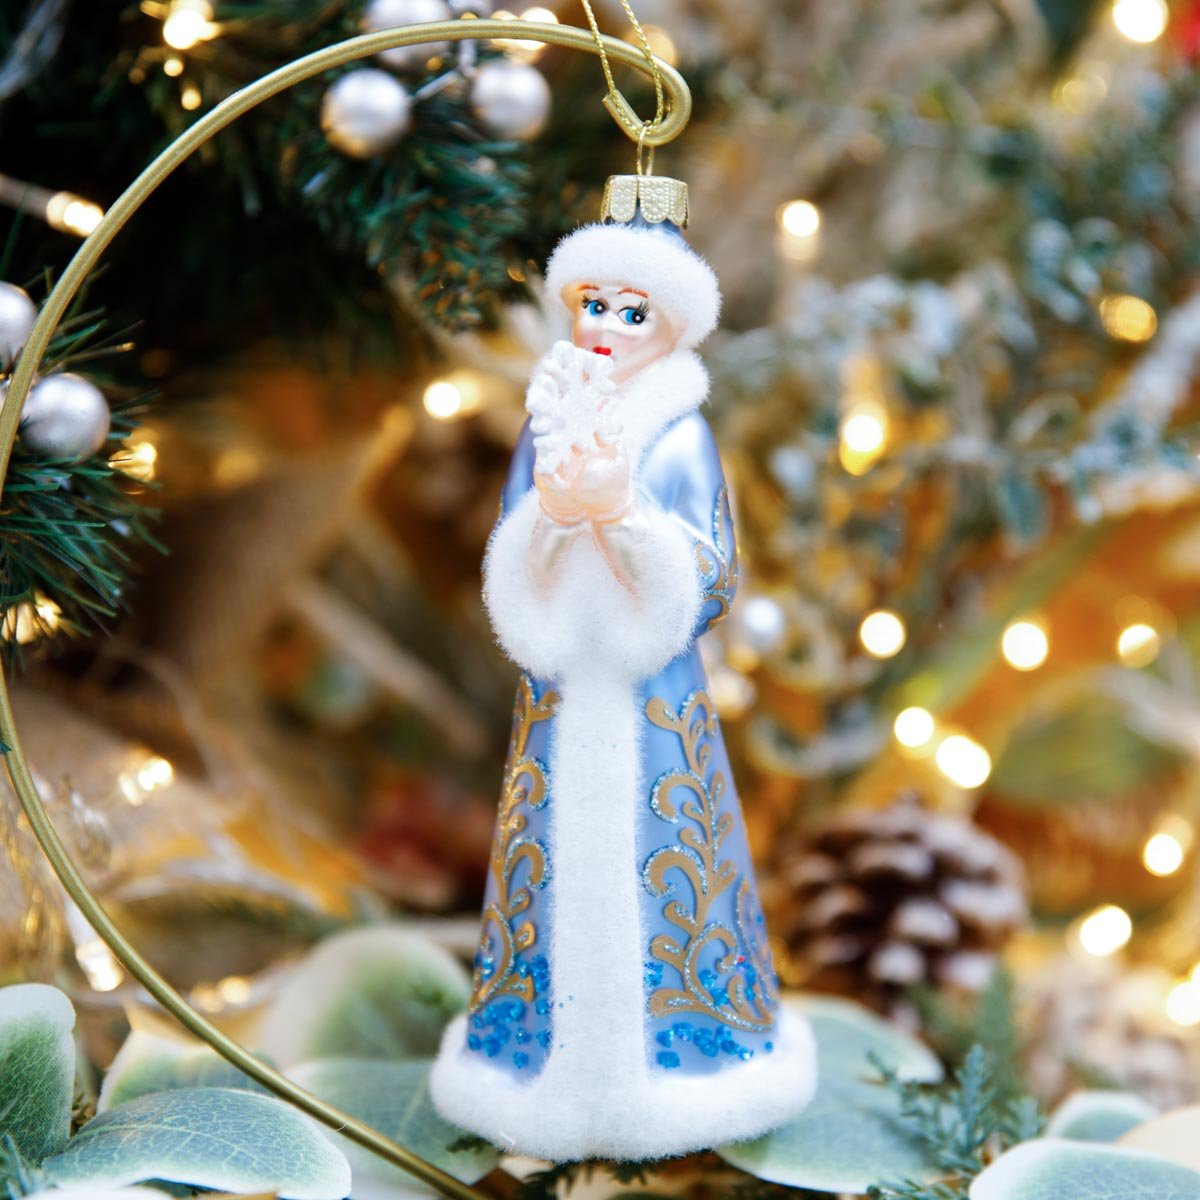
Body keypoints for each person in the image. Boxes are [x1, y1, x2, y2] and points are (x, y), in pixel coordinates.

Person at [431, 190, 816, 1162]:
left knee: (665, 847)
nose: (605, 325)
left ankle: (690, 1050)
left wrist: (625, 518)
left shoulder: (681, 435)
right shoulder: (547, 421)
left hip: (652, 696)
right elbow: (511, 545)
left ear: (671, 324)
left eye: (631, 310)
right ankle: (532, 1049)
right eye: (593, 304)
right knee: (549, 847)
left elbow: (713, 572)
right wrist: (556, 517)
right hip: (563, 687)